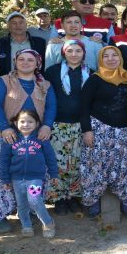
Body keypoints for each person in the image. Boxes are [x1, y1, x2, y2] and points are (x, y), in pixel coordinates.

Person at [0, 48, 57, 232]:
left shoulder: (45, 84)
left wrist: (47, 125)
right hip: (6, 136)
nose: (25, 63)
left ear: (37, 64)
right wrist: (5, 128)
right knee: (4, 174)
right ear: (15, 61)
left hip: (35, 137)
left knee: (34, 173)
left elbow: (51, 106)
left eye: (30, 60)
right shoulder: (4, 81)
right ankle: (2, 213)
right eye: (21, 59)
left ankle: (32, 208)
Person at [79, 46, 127, 221]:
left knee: (124, 167)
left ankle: (126, 201)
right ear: (100, 60)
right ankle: (93, 201)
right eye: (106, 56)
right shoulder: (94, 80)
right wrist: (87, 130)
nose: (111, 59)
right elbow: (84, 107)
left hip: (124, 131)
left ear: (120, 58)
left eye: (114, 56)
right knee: (96, 165)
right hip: (99, 129)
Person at [43, 39, 92, 215]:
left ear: (83, 53)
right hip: (57, 124)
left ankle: (72, 196)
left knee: (76, 163)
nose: (74, 54)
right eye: (70, 51)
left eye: (78, 51)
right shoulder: (52, 72)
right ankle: (58, 199)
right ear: (64, 52)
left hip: (81, 125)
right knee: (58, 163)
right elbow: (46, 97)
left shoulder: (90, 73)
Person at [0, 110, 58, 238]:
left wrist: (54, 174)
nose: (26, 124)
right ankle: (26, 225)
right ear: (16, 123)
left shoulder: (41, 138)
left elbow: (50, 157)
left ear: (37, 124)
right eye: (22, 121)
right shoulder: (11, 139)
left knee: (35, 200)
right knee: (22, 204)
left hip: (35, 178)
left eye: (30, 121)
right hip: (17, 179)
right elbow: (4, 160)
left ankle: (48, 222)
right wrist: (5, 179)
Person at [0, 12, 47, 76]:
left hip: (35, 83)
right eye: (14, 23)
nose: (18, 25)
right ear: (8, 26)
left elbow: (45, 65)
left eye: (21, 22)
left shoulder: (40, 42)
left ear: (26, 25)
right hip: (8, 83)